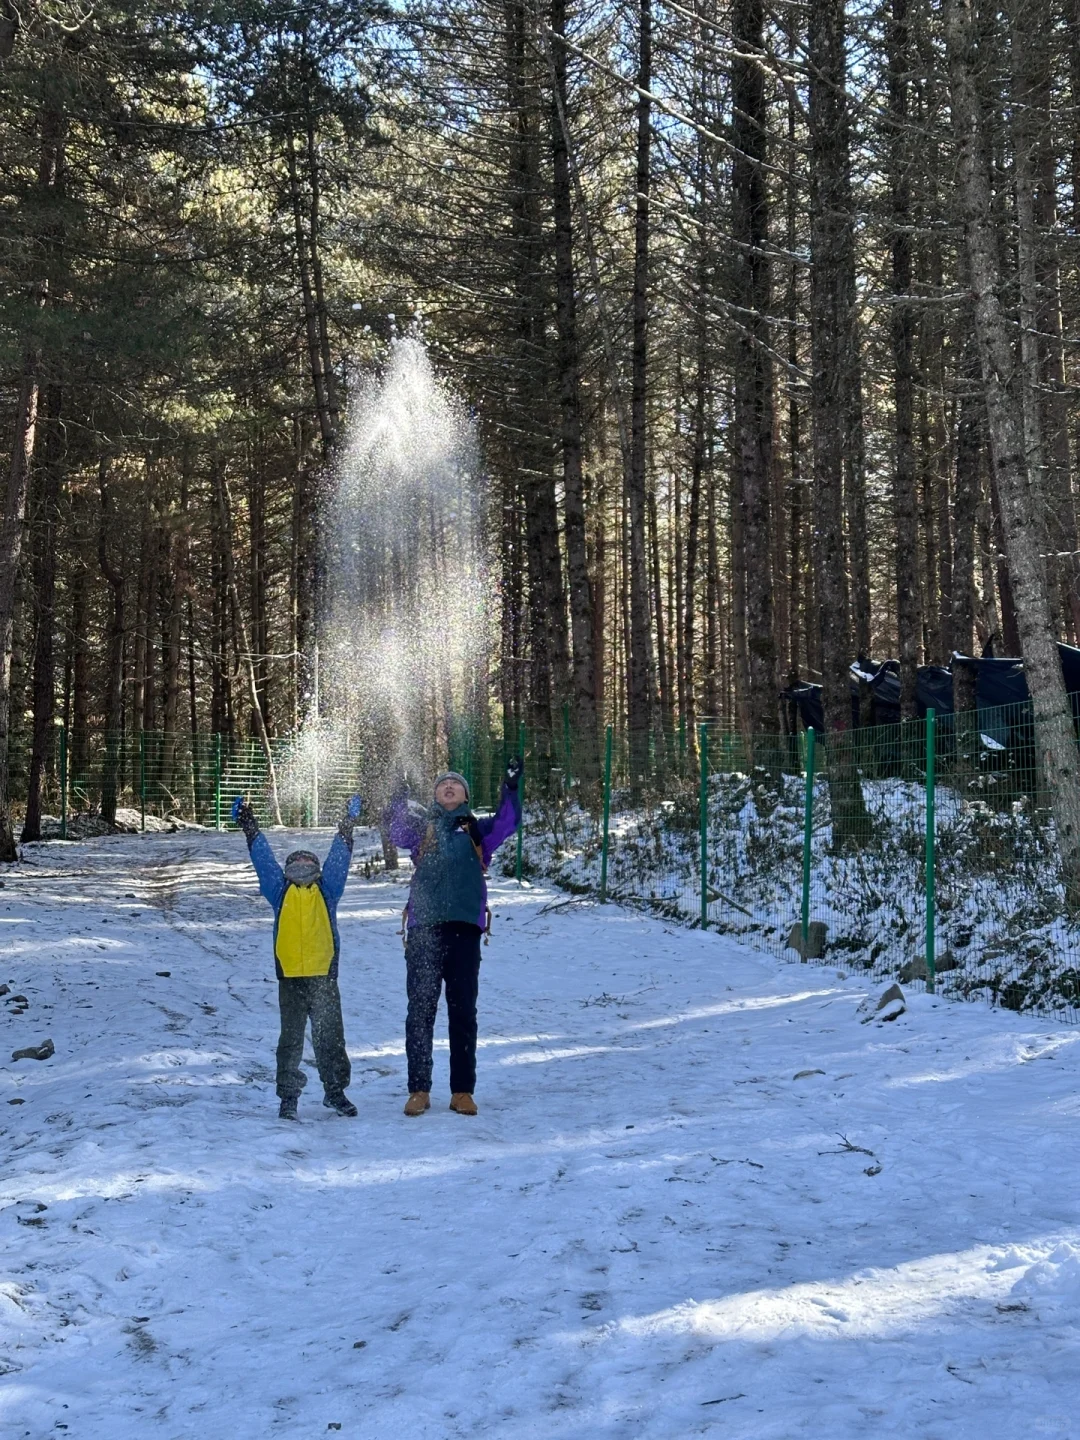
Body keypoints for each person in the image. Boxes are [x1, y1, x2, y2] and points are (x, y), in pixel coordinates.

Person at [385, 759, 522, 1116]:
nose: (448, 786)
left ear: (465, 795)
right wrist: (398, 796)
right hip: (424, 930)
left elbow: (509, 822)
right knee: (420, 1011)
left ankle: (462, 1091)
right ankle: (419, 1089)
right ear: (433, 795)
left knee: (463, 1013)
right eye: (442, 783)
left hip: (465, 930)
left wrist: (509, 788)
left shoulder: (478, 830)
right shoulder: (422, 829)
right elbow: (396, 830)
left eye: (455, 784)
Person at [233, 793, 363, 1121]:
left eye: (308, 862)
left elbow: (339, 859)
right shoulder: (279, 891)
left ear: (317, 869)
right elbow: (263, 860)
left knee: (330, 1038)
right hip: (289, 977)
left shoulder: (327, 889)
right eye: (295, 862)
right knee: (290, 1041)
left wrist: (346, 827)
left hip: (323, 977)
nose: (302, 865)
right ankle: (288, 1098)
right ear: (287, 869)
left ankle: (335, 1092)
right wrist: (250, 828)